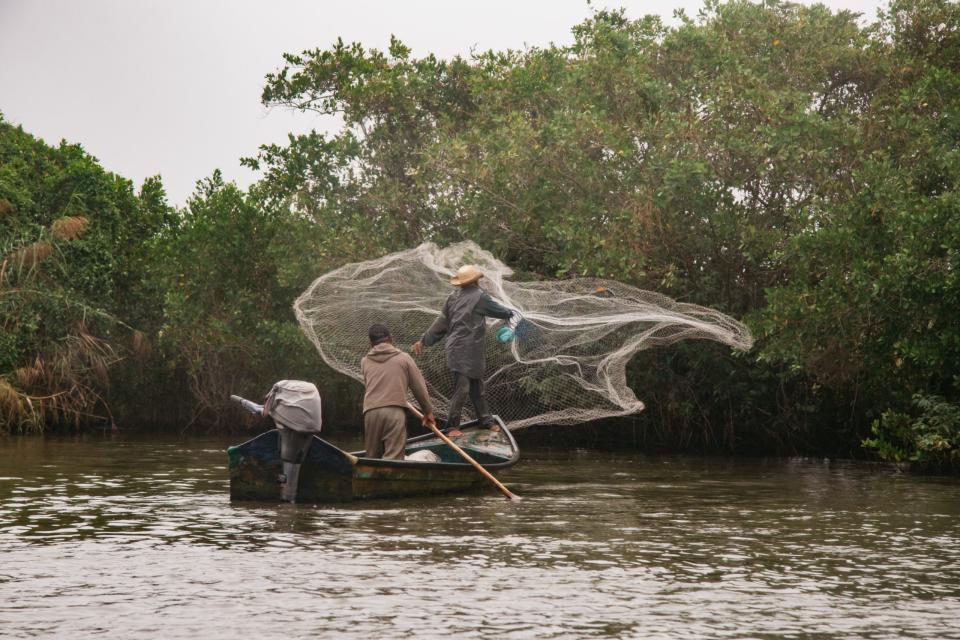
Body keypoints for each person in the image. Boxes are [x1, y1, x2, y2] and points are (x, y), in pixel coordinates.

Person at [411, 264, 513, 435]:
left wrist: (423, 340)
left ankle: (486, 421)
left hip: (469, 350)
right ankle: (451, 427)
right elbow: (501, 312)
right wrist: (512, 313)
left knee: (477, 388)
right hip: (461, 350)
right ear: (476, 281)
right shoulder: (479, 298)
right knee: (463, 388)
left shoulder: (456, 297)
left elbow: (441, 322)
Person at [361, 323, 436, 459]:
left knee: (371, 457)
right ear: (391, 338)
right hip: (393, 412)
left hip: (370, 412)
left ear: (370, 343)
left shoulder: (365, 361)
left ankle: (371, 479)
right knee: (394, 458)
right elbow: (418, 387)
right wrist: (428, 411)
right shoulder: (404, 358)